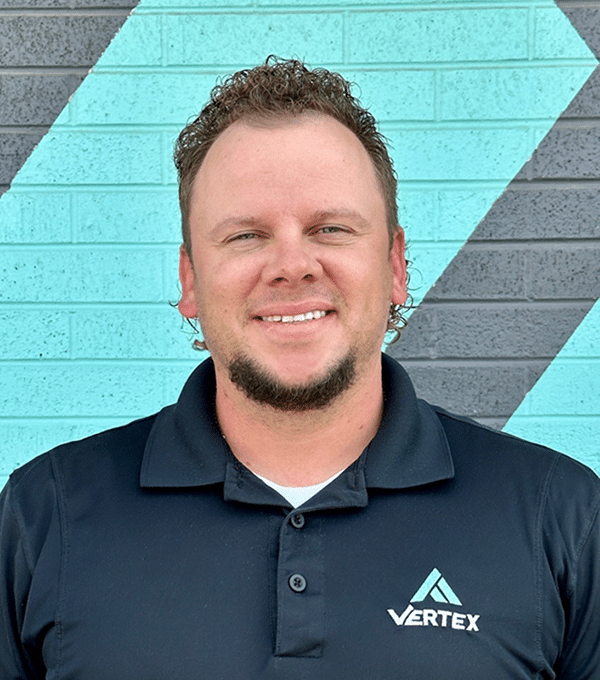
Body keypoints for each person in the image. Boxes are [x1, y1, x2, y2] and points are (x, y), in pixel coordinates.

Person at [1, 57, 599, 680]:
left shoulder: (558, 518)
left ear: (396, 265)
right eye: (245, 236)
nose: (292, 265)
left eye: (331, 228)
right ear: (190, 281)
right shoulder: (48, 516)